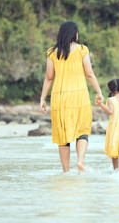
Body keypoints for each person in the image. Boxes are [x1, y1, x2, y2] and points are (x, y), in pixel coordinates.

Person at [40, 21, 103, 173]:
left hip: (59, 98)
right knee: (82, 129)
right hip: (79, 95)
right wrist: (99, 91)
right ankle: (80, 161)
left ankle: (66, 171)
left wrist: (42, 98)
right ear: (74, 33)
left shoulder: (51, 52)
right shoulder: (82, 49)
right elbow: (89, 73)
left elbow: (49, 77)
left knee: (63, 134)